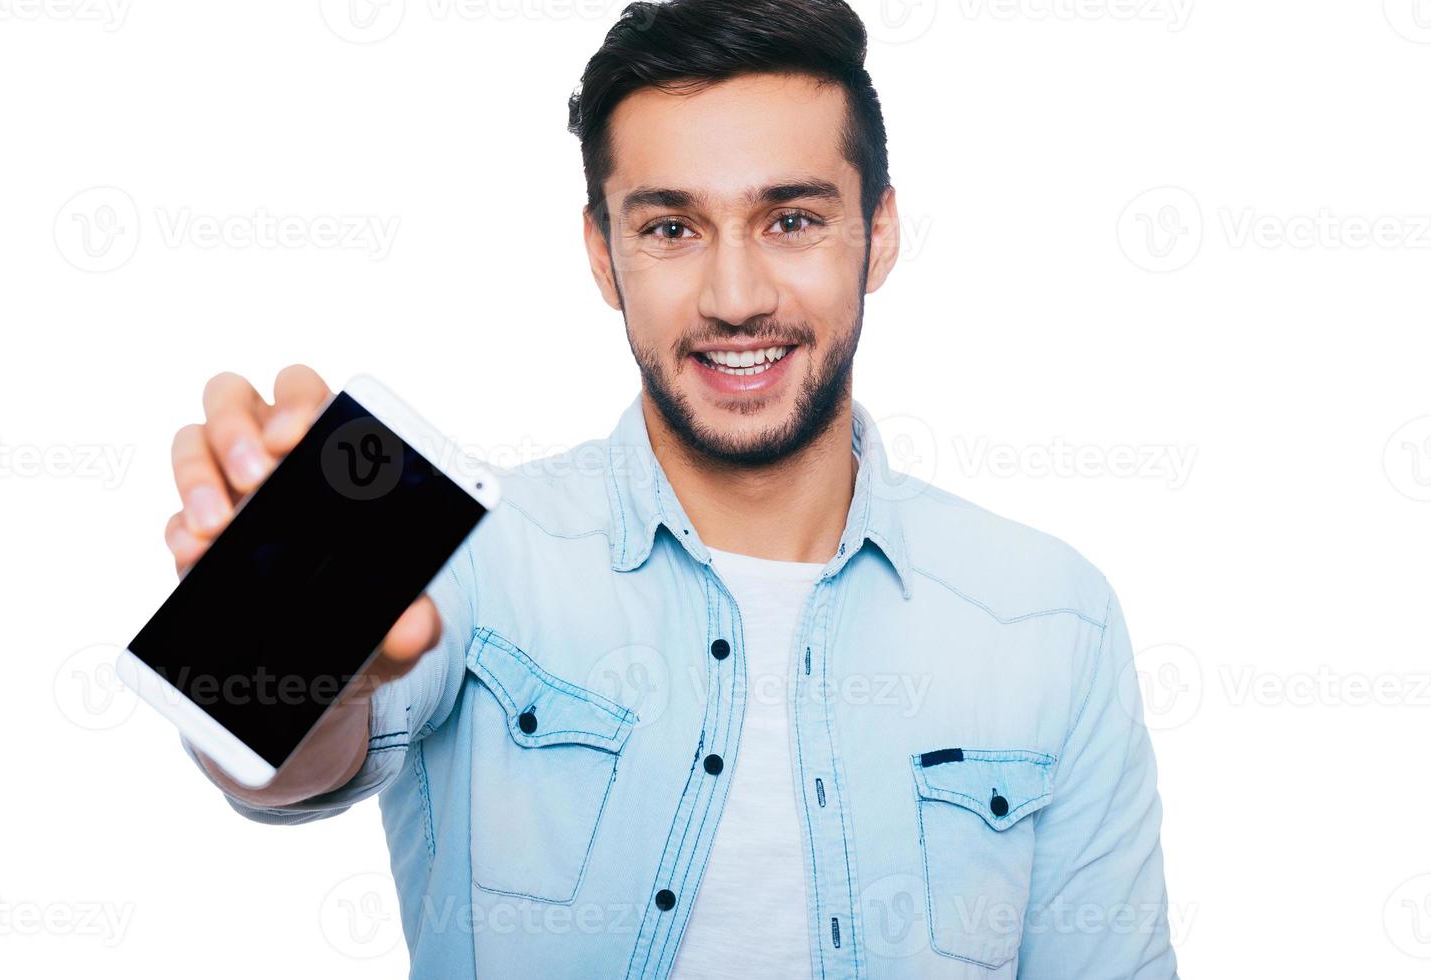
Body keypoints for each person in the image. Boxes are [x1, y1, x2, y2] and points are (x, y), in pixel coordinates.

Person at [162, 1, 1178, 976]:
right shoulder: (474, 554)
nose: (736, 299)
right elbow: (284, 763)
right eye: (669, 229)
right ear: (603, 252)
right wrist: (276, 639)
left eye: (789, 219)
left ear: (879, 230)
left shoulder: (1050, 618)